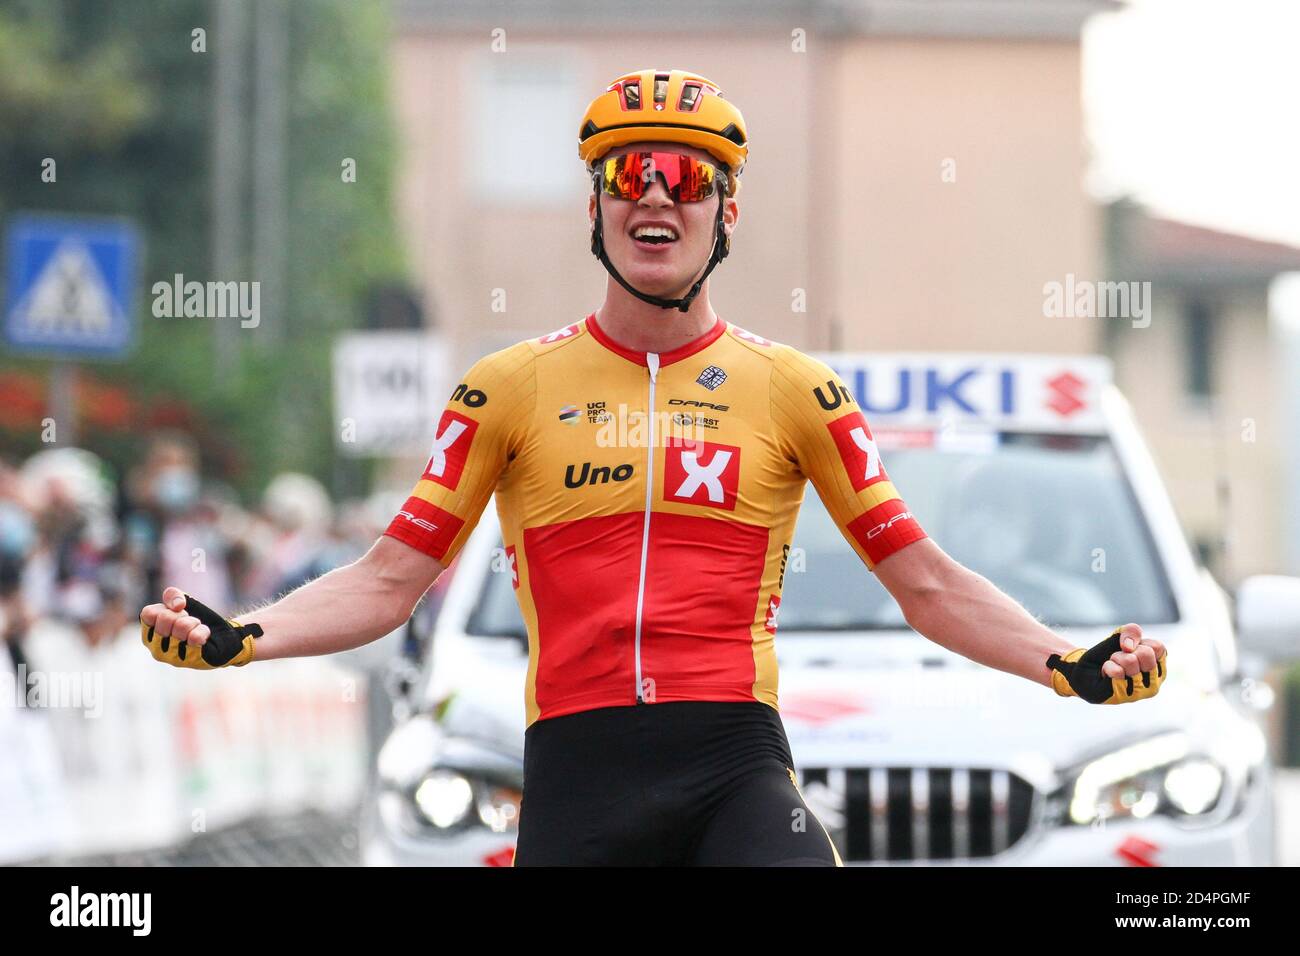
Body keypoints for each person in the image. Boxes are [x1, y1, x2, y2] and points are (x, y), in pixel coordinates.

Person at [139, 68, 1168, 866]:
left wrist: (1065, 662)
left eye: (688, 179)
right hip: (578, 778)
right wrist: (241, 635)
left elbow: (928, 583)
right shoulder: (506, 387)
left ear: (726, 213)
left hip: (732, 766)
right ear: (594, 209)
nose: (656, 197)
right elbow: (387, 579)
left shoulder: (793, 390)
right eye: (629, 175)